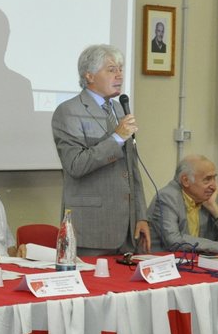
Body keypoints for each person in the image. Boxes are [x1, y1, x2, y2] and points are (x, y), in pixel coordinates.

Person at [50, 45, 149, 258]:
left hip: (128, 231)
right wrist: (116, 138)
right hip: (92, 227)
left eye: (121, 69)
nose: (120, 75)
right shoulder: (68, 111)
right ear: (89, 75)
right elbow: (75, 164)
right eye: (111, 69)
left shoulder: (120, 108)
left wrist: (141, 215)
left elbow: (131, 168)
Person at [150, 155, 218, 255]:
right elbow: (173, 241)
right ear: (185, 180)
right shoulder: (166, 197)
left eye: (214, 178)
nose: (214, 186)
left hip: (193, 263)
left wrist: (215, 210)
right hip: (162, 264)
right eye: (207, 179)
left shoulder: (208, 199)